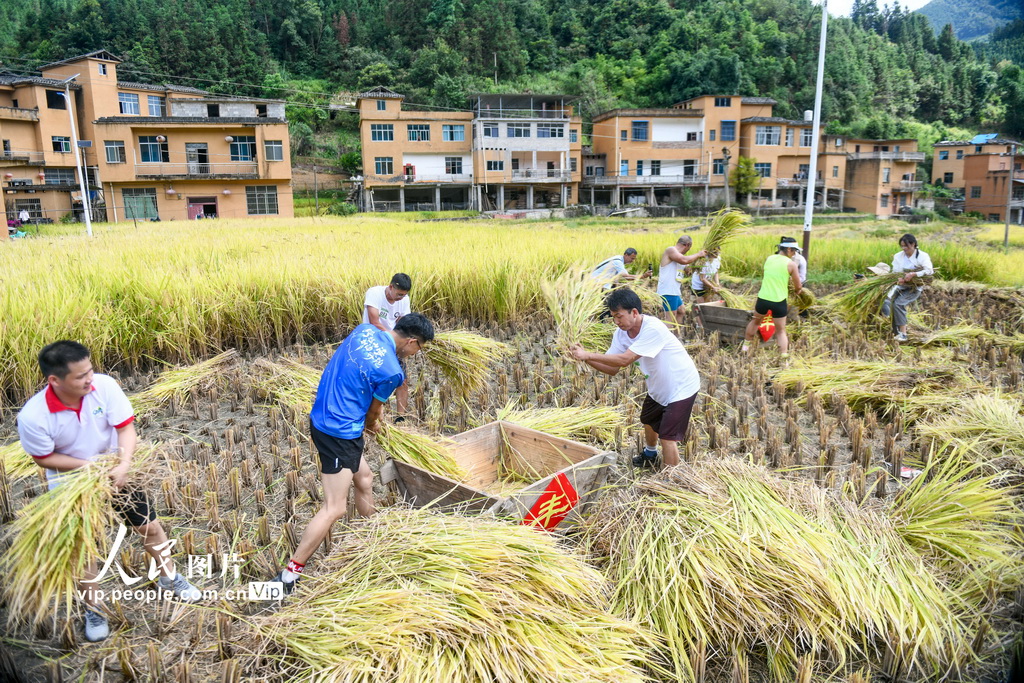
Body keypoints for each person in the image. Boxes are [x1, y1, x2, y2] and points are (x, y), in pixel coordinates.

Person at [16, 341, 201, 643]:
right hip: (72, 484)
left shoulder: (104, 386)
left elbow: (125, 428)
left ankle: (169, 579)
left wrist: (123, 464)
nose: (89, 379)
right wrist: (91, 467)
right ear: (55, 380)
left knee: (149, 527)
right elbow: (44, 458)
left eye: (90, 370)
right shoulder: (33, 417)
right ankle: (94, 609)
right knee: (83, 550)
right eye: (80, 376)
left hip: (119, 473)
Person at [273, 313, 434, 594]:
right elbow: (373, 413)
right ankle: (289, 575)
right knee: (334, 508)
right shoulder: (392, 372)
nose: (416, 353)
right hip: (339, 433)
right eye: (419, 348)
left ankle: (372, 538)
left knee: (365, 478)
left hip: (324, 415)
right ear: (411, 341)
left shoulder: (364, 331)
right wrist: (375, 427)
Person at [570, 288, 700, 469]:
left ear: (635, 312)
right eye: (613, 317)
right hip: (658, 386)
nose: (616, 322)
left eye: (619, 316)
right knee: (648, 420)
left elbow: (625, 360)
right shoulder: (621, 334)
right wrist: (584, 358)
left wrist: (588, 355)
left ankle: (671, 478)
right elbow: (613, 369)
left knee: (667, 437)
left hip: (681, 386)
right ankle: (650, 454)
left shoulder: (653, 328)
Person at [363, 273, 413, 418]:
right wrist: (393, 338)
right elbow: (374, 322)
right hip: (373, 341)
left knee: (402, 379)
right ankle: (373, 417)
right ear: (391, 287)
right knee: (373, 382)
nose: (401, 298)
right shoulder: (374, 293)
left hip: (392, 345)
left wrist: (403, 340)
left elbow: (402, 323)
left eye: (404, 295)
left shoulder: (404, 300)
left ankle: (400, 417)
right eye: (399, 294)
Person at [742, 237, 802, 358]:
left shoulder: (769, 259)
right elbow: (798, 285)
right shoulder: (791, 264)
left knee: (755, 322)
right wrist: (797, 291)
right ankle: (783, 357)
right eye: (794, 251)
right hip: (779, 301)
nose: (795, 254)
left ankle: (745, 348)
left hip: (763, 299)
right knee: (780, 331)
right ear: (789, 249)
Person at [881, 233, 933, 342]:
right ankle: (896, 332)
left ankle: (903, 334)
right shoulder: (898, 256)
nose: (904, 248)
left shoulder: (922, 256)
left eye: (906, 246)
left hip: (914, 287)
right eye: (902, 246)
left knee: (899, 304)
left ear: (913, 244)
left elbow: (929, 271)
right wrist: (899, 278)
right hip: (901, 286)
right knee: (891, 304)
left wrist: (914, 274)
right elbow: (895, 271)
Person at [656, 234, 706, 332]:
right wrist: (698, 254)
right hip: (668, 291)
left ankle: (676, 335)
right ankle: (660, 335)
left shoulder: (679, 257)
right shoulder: (671, 250)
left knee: (681, 311)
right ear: (687, 245)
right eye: (689, 248)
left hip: (675, 291)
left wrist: (698, 263)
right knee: (670, 319)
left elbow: (687, 270)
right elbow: (684, 260)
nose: (688, 251)